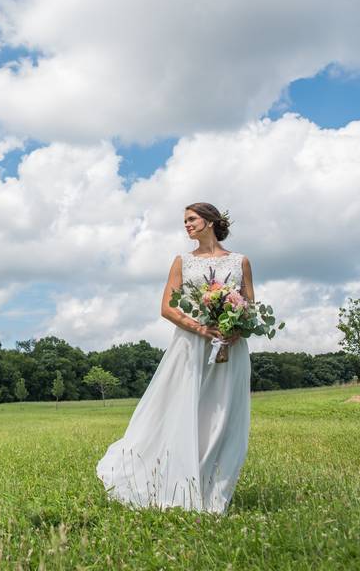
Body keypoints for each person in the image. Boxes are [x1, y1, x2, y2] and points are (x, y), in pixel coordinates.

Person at [95, 202, 254, 512]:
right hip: (191, 346)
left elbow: (250, 305)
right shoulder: (182, 261)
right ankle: (175, 483)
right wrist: (200, 328)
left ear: (210, 222)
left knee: (221, 417)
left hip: (230, 348)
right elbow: (167, 307)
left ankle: (212, 488)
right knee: (184, 411)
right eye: (185, 221)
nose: (187, 225)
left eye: (192, 219)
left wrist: (237, 329)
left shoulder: (240, 262)